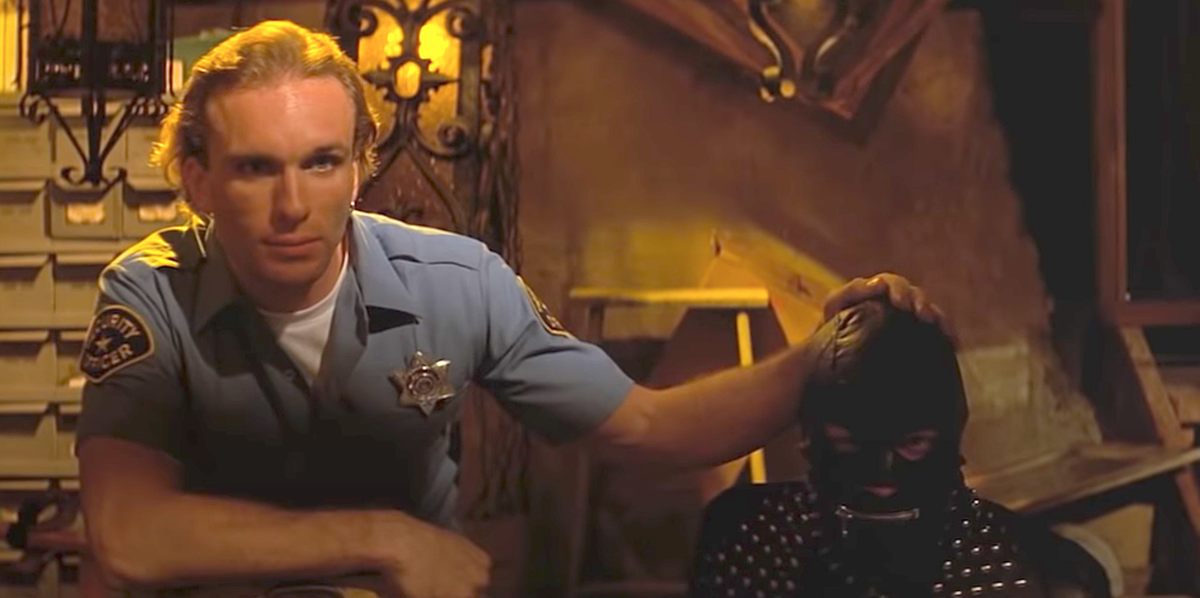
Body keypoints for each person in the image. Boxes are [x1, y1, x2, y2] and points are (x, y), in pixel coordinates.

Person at [75, 20, 945, 598]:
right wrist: (384, 537)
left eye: (321, 162)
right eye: (256, 169)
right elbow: (130, 533)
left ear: (360, 165)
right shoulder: (149, 291)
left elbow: (650, 425)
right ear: (197, 180)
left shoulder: (454, 280)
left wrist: (822, 352)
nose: (293, 205)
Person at [687, 298, 1111, 598]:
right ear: (813, 435)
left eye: (912, 443)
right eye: (848, 443)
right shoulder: (755, 542)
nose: (882, 476)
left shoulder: (1008, 566)